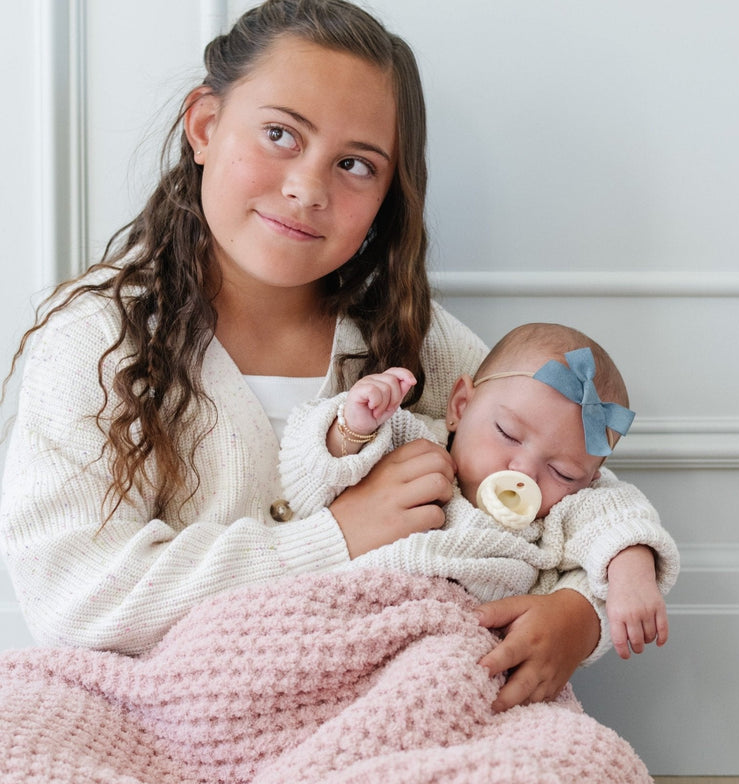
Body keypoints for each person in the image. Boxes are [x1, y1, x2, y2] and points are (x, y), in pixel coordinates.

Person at [0, 0, 668, 711]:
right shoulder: (96, 343)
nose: (308, 189)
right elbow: (76, 597)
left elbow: (578, 494)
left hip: (392, 704)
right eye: (280, 134)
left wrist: (581, 615)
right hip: (169, 713)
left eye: (355, 164)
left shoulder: (419, 341)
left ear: (387, 195)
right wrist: (336, 537)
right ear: (205, 126)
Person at [282, 321, 678, 685]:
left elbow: (618, 516)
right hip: (356, 625)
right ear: (460, 406)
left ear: (587, 481)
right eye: (508, 433)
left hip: (467, 661)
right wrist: (353, 427)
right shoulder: (413, 445)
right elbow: (310, 484)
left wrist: (632, 573)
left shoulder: (557, 516)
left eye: (562, 472)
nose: (524, 471)